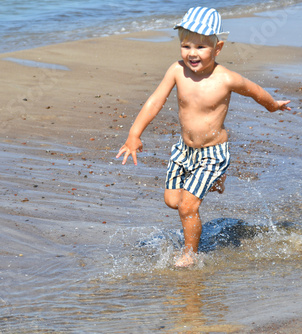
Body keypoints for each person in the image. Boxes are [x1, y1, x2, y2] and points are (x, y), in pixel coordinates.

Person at [116, 7, 291, 267]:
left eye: (201, 46)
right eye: (186, 46)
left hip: (212, 153)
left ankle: (189, 254)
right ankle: (212, 182)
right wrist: (134, 134)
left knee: (188, 207)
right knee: (172, 201)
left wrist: (273, 105)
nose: (192, 53)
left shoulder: (226, 78)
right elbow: (155, 101)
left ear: (217, 48)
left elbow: (254, 91)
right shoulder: (177, 71)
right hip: (184, 150)